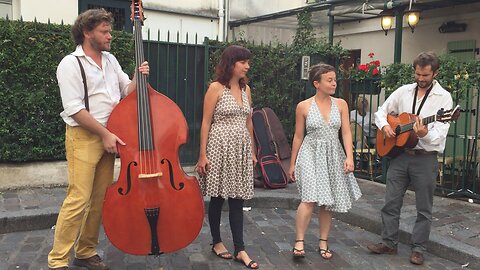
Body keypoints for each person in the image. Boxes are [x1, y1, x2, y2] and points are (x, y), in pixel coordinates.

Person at [48, 9, 149, 270]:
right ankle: (57, 260)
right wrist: (104, 134)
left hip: (111, 135)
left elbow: (127, 91)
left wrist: (138, 76)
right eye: (104, 32)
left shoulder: (111, 60)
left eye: (109, 31)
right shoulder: (70, 64)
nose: (109, 36)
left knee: (99, 200)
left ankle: (85, 251)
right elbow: (73, 108)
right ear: (86, 32)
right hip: (84, 137)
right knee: (78, 199)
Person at [367, 51, 453, 265]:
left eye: (425, 75)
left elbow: (440, 134)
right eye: (418, 74)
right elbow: (381, 111)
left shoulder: (444, 98)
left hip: (425, 158)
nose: (421, 79)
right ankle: (388, 243)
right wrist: (386, 126)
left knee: (424, 207)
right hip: (400, 156)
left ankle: (418, 248)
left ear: (435, 73)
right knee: (391, 201)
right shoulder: (404, 91)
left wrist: (425, 133)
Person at [289, 63, 362, 260]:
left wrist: (349, 157)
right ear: (316, 83)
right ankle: (299, 240)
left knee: (327, 202)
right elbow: (297, 136)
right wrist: (292, 163)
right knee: (309, 199)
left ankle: (323, 241)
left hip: (333, 154)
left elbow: (346, 132)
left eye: (334, 80)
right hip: (310, 154)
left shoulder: (341, 104)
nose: (334, 83)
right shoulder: (303, 106)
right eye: (329, 80)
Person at [195, 45, 259, 269]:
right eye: (243, 62)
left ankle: (240, 248)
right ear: (231, 63)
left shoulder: (246, 89)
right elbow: (205, 122)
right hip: (219, 145)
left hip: (240, 147)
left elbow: (249, 121)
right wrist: (202, 155)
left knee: (237, 198)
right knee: (218, 197)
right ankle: (216, 241)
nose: (247, 66)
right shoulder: (216, 88)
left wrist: (251, 150)